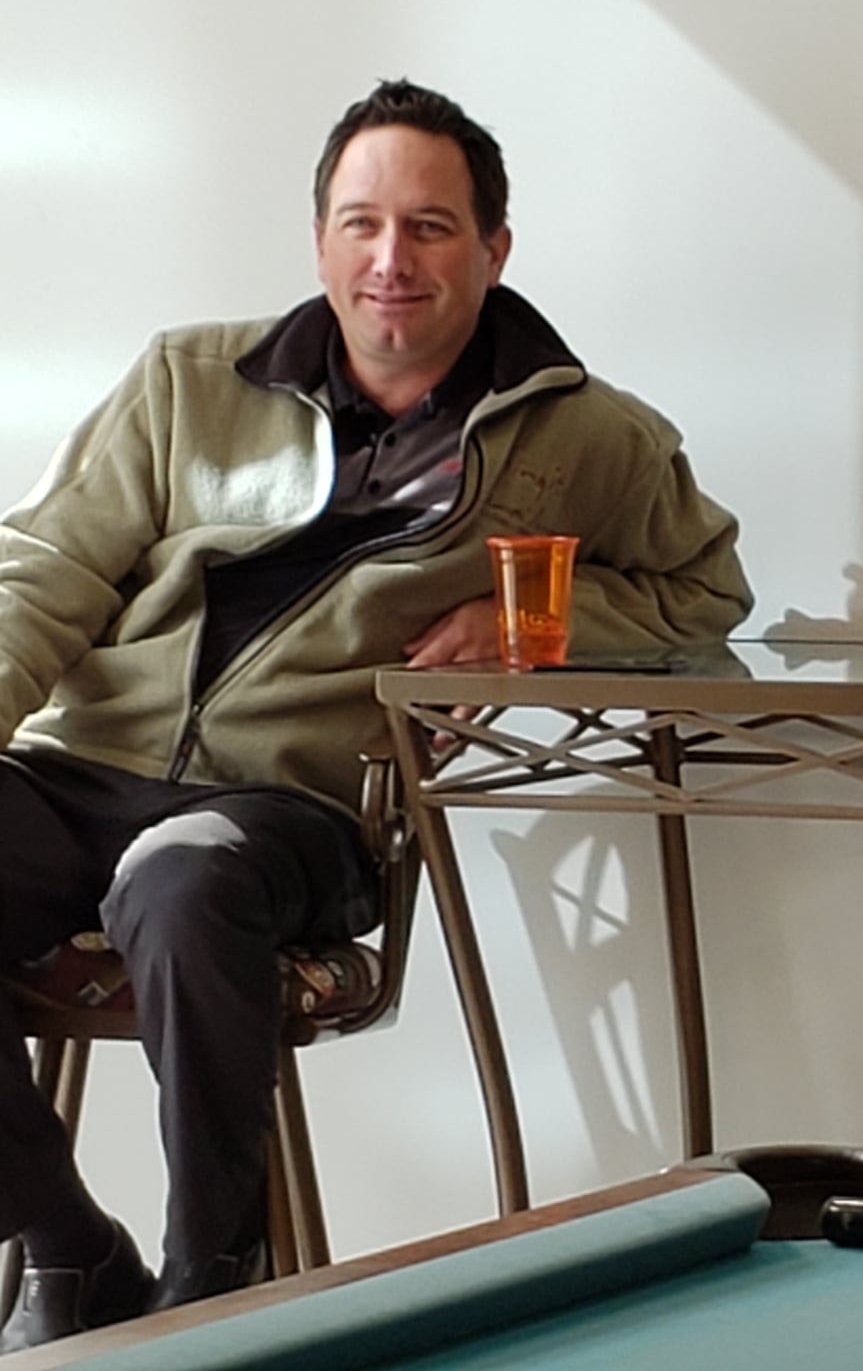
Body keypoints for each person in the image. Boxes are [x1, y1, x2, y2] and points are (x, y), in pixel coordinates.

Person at [0, 80, 753, 1350]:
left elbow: (707, 590)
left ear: (495, 249)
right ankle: (69, 1243)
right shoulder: (188, 382)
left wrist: (537, 627)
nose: (390, 260)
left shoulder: (586, 435)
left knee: (182, 879)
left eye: (430, 227)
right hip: (86, 768)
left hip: (288, 811)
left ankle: (209, 1284)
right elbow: (43, 573)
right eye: (361, 224)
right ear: (320, 242)